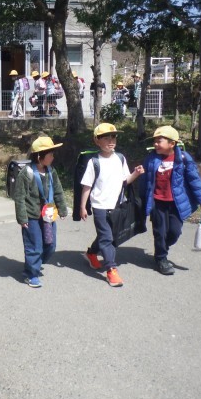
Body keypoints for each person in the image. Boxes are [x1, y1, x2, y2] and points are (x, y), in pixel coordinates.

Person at [79, 123, 145, 287]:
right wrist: (82, 206)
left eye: (113, 137)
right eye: (106, 138)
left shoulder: (120, 158)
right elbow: (87, 186)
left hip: (117, 206)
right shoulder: (94, 162)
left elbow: (125, 181)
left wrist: (136, 173)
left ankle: (91, 253)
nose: (111, 141)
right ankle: (111, 269)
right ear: (97, 141)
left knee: (108, 235)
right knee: (107, 238)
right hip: (100, 206)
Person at [139, 126, 201, 275]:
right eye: (154, 141)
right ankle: (161, 258)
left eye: (159, 141)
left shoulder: (183, 158)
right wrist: (142, 199)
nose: (155, 144)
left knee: (174, 232)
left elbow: (194, 179)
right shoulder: (151, 159)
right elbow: (145, 181)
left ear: (172, 143)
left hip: (176, 203)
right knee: (160, 232)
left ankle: (162, 248)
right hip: (157, 202)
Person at [13, 136, 68, 288]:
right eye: (50, 154)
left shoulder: (51, 171)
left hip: (48, 215)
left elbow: (58, 190)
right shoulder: (26, 173)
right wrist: (22, 218)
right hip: (31, 216)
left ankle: (33, 263)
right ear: (39, 156)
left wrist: (62, 209)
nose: (53, 157)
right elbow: (19, 197)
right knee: (34, 246)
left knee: (50, 245)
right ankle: (31, 274)